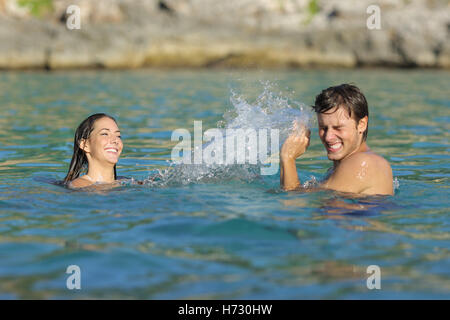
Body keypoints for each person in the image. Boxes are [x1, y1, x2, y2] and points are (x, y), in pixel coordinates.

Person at [280, 84, 393, 195]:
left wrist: (288, 158)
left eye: (338, 128)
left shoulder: (363, 163)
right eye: (323, 128)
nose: (328, 137)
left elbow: (293, 202)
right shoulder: (337, 169)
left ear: (362, 124)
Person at [63, 113, 123, 189]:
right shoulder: (79, 186)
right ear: (85, 145)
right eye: (105, 134)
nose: (115, 140)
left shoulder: (127, 182)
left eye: (118, 136)